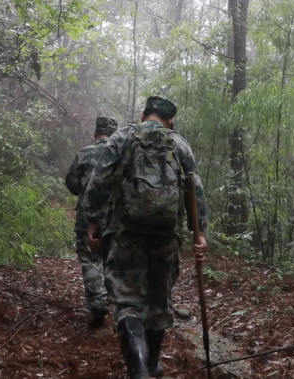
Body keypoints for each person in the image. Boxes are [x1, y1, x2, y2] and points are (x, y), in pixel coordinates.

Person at [81, 96, 208, 379]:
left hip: (125, 235)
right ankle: (152, 364)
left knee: (127, 302)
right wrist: (200, 233)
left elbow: (99, 179)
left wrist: (92, 220)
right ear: (170, 119)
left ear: (143, 115)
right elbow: (194, 190)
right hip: (166, 238)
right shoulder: (180, 144)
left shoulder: (123, 136)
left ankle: (138, 370)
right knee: (158, 301)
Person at [65, 116, 119, 329]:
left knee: (90, 259)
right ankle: (116, 306)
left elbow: (72, 184)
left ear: (95, 133)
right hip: (116, 217)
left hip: (88, 217)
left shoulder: (84, 153)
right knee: (113, 260)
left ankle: (97, 302)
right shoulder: (121, 155)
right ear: (115, 134)